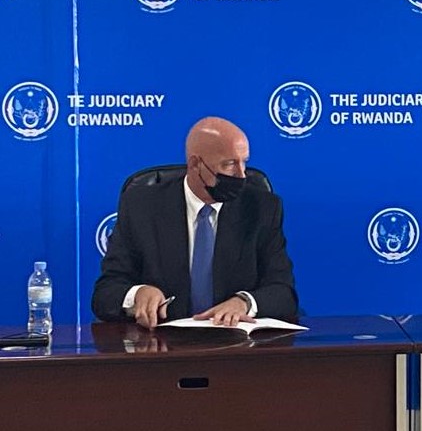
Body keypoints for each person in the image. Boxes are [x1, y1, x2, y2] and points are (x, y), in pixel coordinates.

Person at [92, 116, 298, 329]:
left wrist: (244, 302)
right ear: (195, 165)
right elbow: (106, 293)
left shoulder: (262, 208)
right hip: (162, 349)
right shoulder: (141, 207)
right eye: (229, 164)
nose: (241, 175)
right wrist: (137, 295)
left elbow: (283, 293)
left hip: (237, 348)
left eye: (244, 162)